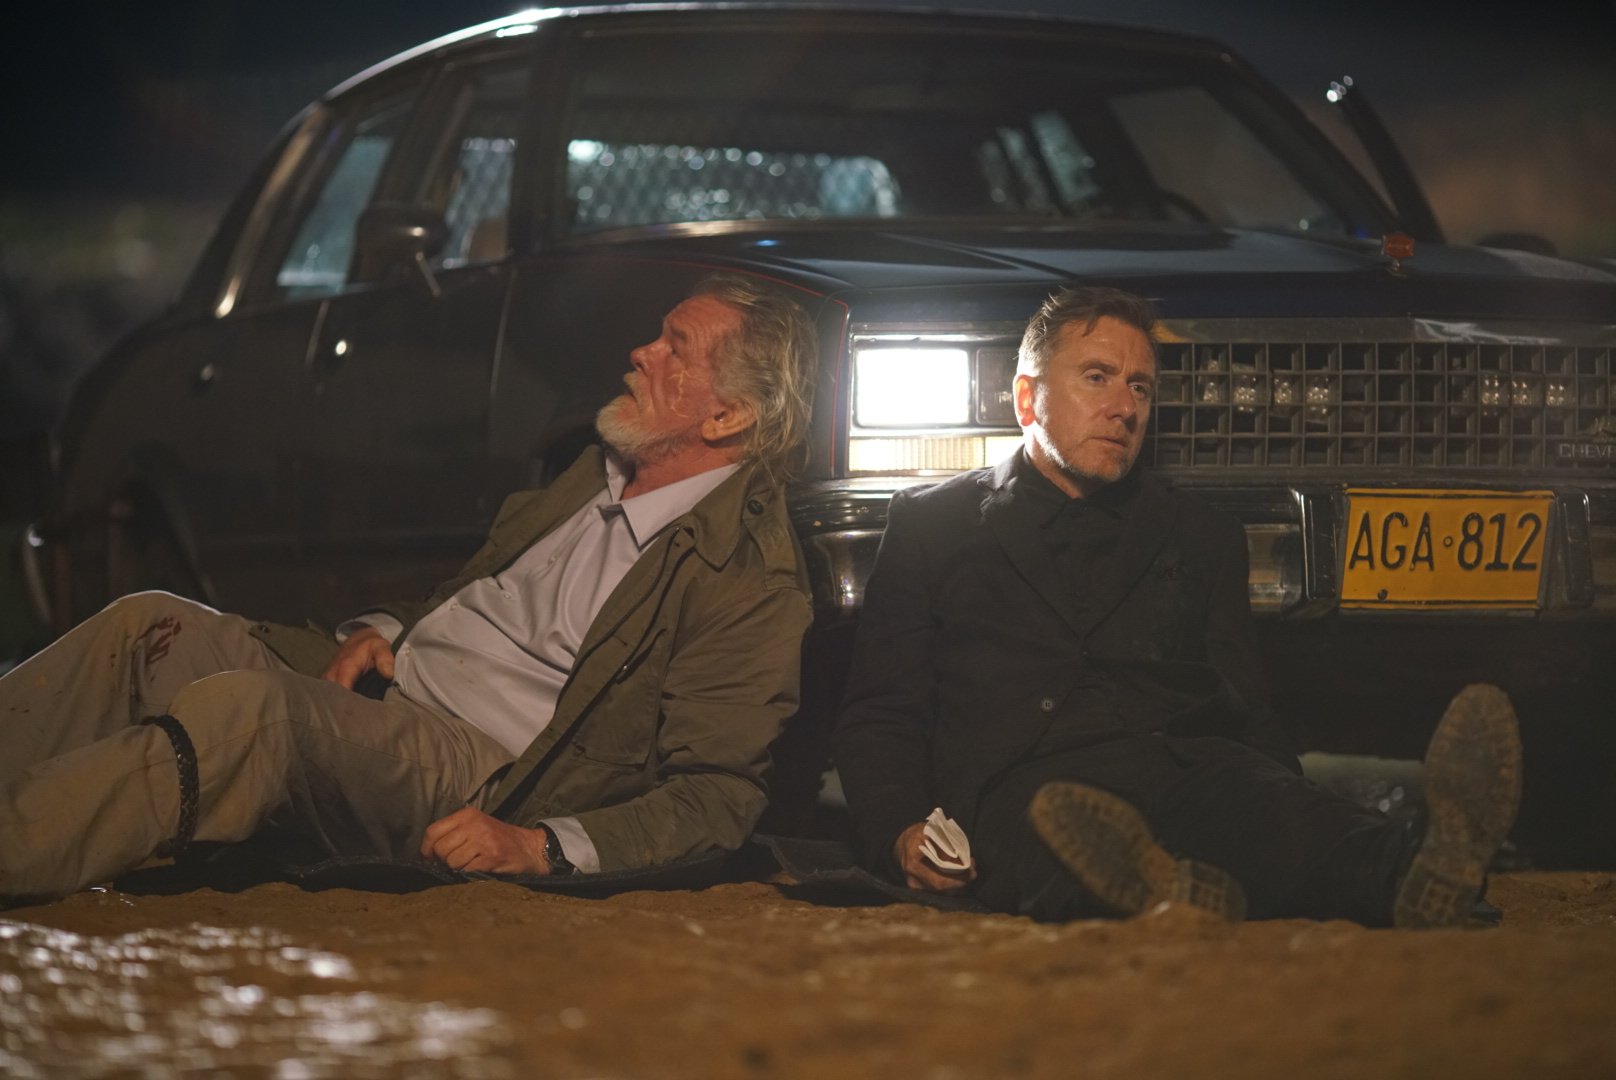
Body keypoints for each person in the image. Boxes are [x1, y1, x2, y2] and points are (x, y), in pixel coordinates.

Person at [1, 273, 817, 903]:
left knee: (249, 713)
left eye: (677, 348)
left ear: (727, 419)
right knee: (149, 627)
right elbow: (483, 595)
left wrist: (539, 845)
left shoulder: (747, 579)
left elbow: (718, 796)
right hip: (393, 685)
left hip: (476, 765)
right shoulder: (602, 466)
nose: (644, 352)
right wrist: (392, 625)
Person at [832, 285, 1520, 928]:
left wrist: (1283, 799)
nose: (1124, 408)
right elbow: (882, 711)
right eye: (1097, 378)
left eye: (1140, 388)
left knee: (1283, 823)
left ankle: (1421, 866)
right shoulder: (934, 523)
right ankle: (1168, 890)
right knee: (1057, 844)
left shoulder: (1199, 532)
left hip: (1182, 768)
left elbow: (1244, 704)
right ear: (1027, 398)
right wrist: (899, 830)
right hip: (1026, 784)